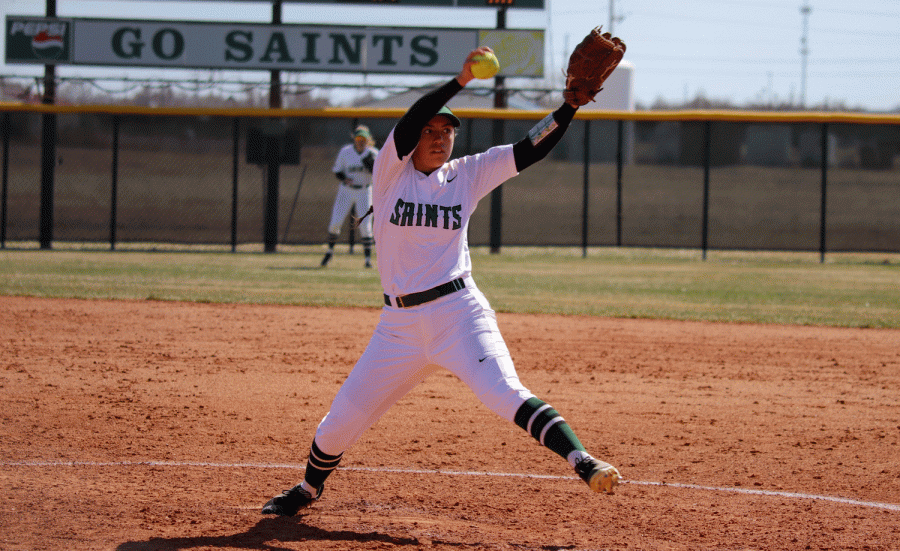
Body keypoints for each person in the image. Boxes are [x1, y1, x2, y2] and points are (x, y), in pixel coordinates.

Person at [262, 46, 620, 517]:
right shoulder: (390, 173)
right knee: (338, 423)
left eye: (447, 130)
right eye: (431, 130)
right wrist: (461, 80)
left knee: (504, 392)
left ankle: (582, 460)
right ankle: (307, 491)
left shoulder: (468, 174)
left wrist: (568, 108)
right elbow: (410, 119)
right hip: (398, 327)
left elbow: (528, 148)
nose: (439, 136)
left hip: (459, 315)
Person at [321, 125, 378, 268]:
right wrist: (344, 178)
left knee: (366, 226)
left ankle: (367, 260)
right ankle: (329, 252)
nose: (360, 141)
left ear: (368, 140)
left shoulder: (373, 153)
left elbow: (380, 175)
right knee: (335, 222)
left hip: (365, 191)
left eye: (363, 138)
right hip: (346, 191)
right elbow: (337, 171)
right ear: (354, 139)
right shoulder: (346, 152)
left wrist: (372, 167)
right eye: (358, 138)